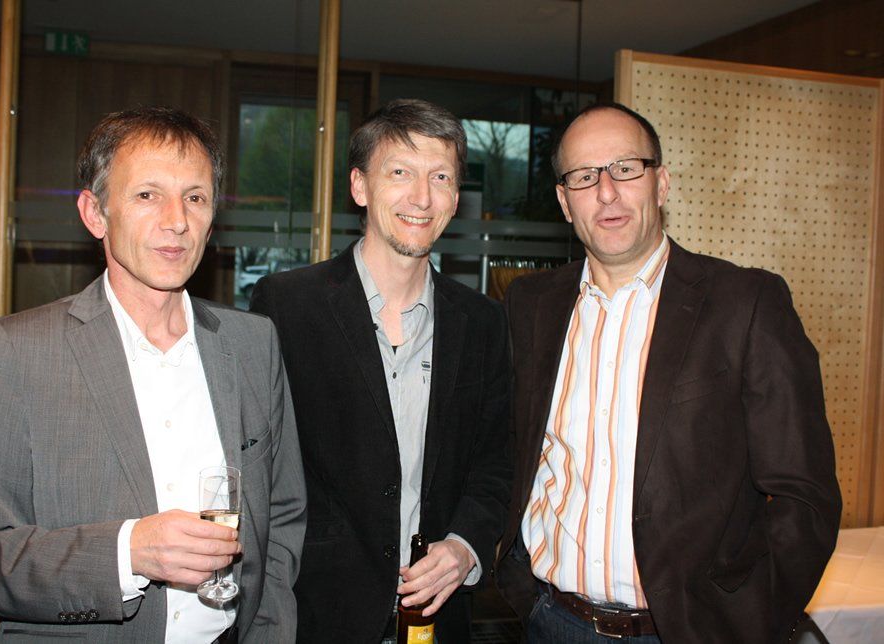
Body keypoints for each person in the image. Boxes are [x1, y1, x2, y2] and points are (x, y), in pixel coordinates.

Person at [0, 106, 306, 643]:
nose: (176, 220)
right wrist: (127, 553)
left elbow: (283, 516)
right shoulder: (20, 351)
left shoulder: (253, 344)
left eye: (195, 197)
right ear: (95, 213)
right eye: (147, 195)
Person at [494, 102, 842, 644]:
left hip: (687, 632)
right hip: (550, 620)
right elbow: (513, 453)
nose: (606, 192)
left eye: (625, 168)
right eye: (584, 176)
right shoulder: (531, 305)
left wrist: (746, 621)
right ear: (564, 202)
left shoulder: (745, 304)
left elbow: (805, 496)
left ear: (661, 184)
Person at [250, 98, 512, 643]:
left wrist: (465, 546)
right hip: (318, 617)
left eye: (440, 177)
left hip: (437, 619)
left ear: (455, 197)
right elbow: (261, 469)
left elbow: (495, 464)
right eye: (400, 173)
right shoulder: (287, 306)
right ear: (359, 186)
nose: (422, 197)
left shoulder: (483, 321)